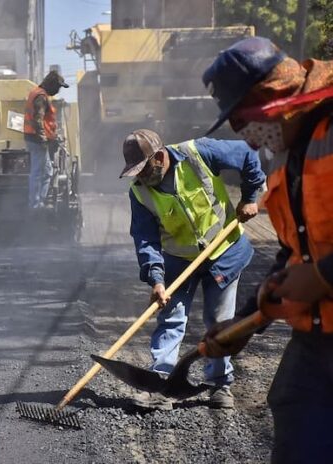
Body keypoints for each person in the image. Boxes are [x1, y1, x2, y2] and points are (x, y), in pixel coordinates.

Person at [201, 36, 333, 462]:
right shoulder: (288, 152)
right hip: (317, 342)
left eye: (244, 123)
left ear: (271, 98)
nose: (251, 141)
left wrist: (322, 277)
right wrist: (242, 326)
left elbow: (313, 268)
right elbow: (293, 251)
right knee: (294, 411)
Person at [120, 129, 265, 410]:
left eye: (144, 169)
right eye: (134, 172)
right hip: (178, 258)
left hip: (224, 251)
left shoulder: (198, 152)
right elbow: (145, 239)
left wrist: (250, 196)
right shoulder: (139, 193)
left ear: (159, 157)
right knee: (171, 319)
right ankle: (159, 383)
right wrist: (157, 280)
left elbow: (248, 153)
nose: (140, 177)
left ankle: (219, 385)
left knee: (219, 320)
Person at [23, 70, 69, 209]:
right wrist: (43, 139)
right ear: (52, 84)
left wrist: (52, 136)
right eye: (58, 87)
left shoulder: (38, 93)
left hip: (35, 138)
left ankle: (39, 201)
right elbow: (38, 119)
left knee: (47, 171)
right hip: (37, 140)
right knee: (38, 172)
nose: (58, 90)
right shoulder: (41, 97)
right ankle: (35, 204)